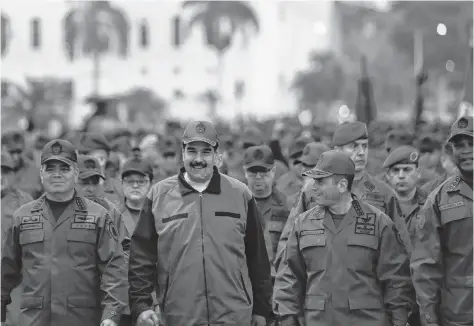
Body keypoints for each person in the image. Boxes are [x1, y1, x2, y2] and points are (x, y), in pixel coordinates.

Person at [128, 120, 272, 326]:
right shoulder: (158, 196)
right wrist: (141, 305)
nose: (198, 159)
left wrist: (261, 309)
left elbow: (258, 258)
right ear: (183, 153)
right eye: (192, 151)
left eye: (206, 152)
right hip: (178, 317)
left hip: (234, 316)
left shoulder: (241, 194)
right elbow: (141, 257)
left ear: (217, 156)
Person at [273, 150, 414, 326]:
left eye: (320, 181)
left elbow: (396, 280)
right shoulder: (303, 223)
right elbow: (288, 276)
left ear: (341, 185)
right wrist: (287, 318)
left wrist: (399, 320)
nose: (313, 186)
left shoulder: (379, 223)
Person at [1, 139, 128, 326]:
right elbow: (6, 271)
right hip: (33, 320)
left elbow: (113, 270)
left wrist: (111, 315)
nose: (57, 175)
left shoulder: (98, 216)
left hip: (81, 320)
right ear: (41, 173)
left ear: (76, 174)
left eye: (64, 169)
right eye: (50, 168)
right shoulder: (23, 216)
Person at [410, 116, 473, 326]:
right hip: (458, 315)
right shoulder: (438, 200)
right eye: (459, 145)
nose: (466, 150)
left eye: (472, 144)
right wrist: (428, 318)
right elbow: (425, 266)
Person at [243, 145, 290, 280]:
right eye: (253, 171)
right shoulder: (235, 204)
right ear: (245, 172)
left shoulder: (287, 207)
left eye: (264, 171)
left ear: (273, 171)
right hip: (245, 282)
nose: (258, 177)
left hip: (275, 282)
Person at [332, 121, 398, 215]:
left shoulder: (383, 192)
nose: (361, 152)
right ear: (337, 151)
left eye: (364, 146)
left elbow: (396, 229)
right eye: (354, 146)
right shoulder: (316, 190)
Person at [1, 152, 33, 326]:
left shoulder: (25, 202)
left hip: (15, 283)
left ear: (14, 174)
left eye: (5, 171)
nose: (0, 177)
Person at [1, 130, 43, 199]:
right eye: (11, 152)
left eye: (19, 152)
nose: (16, 157)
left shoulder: (36, 171)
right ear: (2, 149)